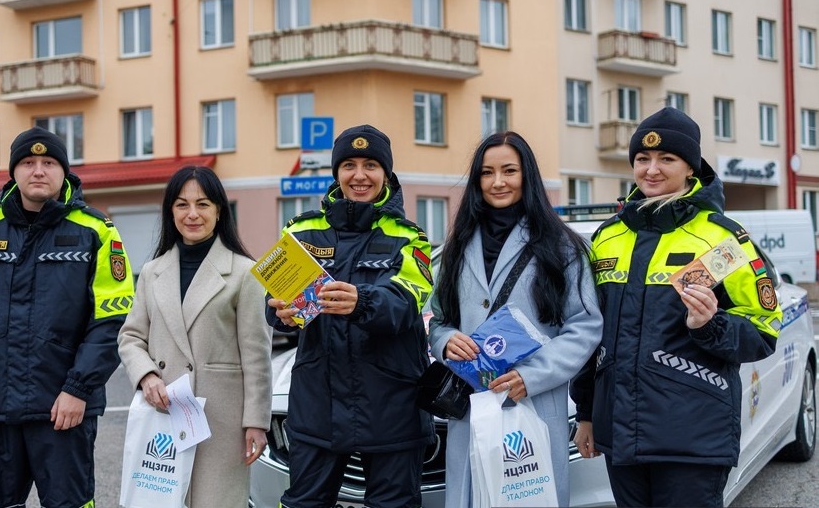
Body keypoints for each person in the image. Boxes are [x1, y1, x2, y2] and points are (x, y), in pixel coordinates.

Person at [570, 107, 782, 507]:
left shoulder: (723, 239)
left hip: (693, 437)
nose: (652, 170)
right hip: (620, 436)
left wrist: (710, 325)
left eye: (666, 158)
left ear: (690, 168)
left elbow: (764, 330)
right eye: (642, 159)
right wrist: (586, 413)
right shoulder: (606, 237)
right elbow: (588, 334)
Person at [0, 127, 135, 508]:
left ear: (64, 171)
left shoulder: (96, 231)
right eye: (28, 162)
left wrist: (78, 388)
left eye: (48, 162)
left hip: (64, 409)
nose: (38, 170)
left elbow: (111, 322)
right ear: (13, 171)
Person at [427, 131, 603, 507]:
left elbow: (585, 326)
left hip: (532, 404)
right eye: (487, 172)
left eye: (509, 170)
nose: (498, 182)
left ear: (527, 175)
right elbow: (439, 319)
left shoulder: (562, 246)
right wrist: (445, 341)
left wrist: (531, 376)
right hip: (472, 405)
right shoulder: (458, 245)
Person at [266, 124, 434, 508]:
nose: (360, 175)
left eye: (371, 165)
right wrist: (281, 313)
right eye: (349, 165)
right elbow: (275, 299)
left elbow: (409, 301)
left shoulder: (410, 236)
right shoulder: (301, 229)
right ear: (336, 172)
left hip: (392, 406)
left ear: (386, 173)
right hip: (317, 406)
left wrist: (363, 302)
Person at [117, 165, 272, 508]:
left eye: (202, 204)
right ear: (170, 211)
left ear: (219, 211)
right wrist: (146, 376)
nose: (192, 214)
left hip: (222, 422)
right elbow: (130, 337)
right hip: (164, 414)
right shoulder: (152, 272)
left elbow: (257, 355)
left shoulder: (245, 273)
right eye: (182, 204)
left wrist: (256, 423)